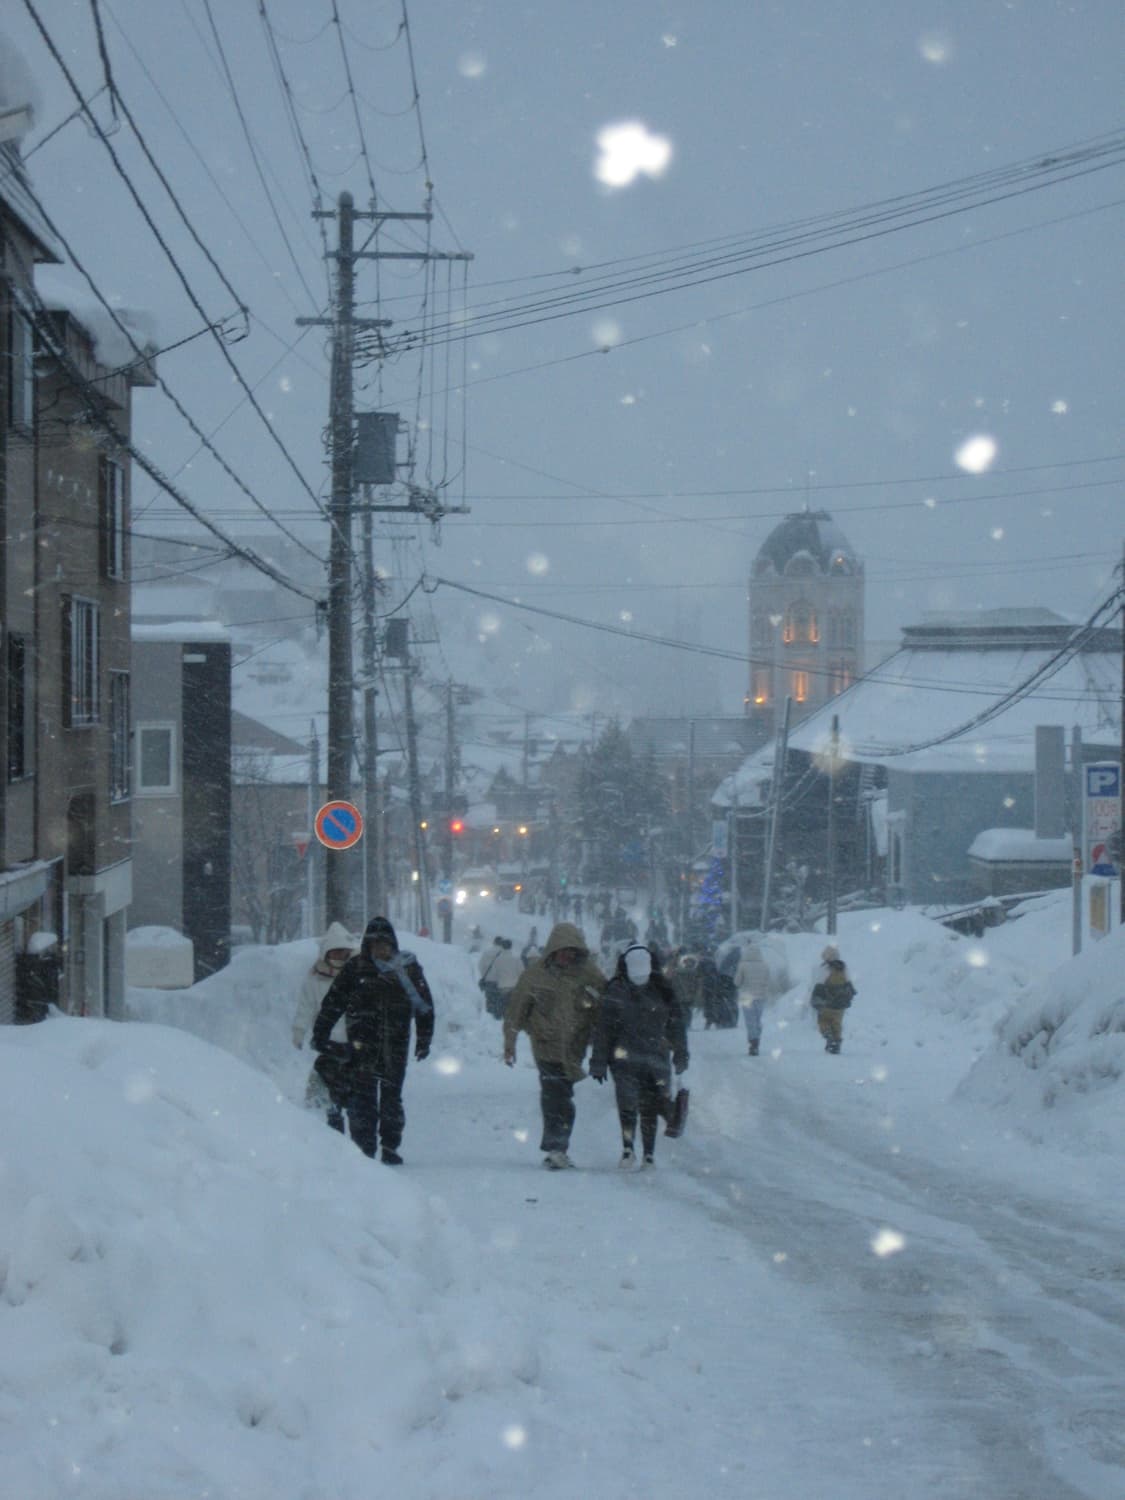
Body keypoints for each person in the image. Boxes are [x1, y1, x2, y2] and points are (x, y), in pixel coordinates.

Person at [311, 916, 434, 1163]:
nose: (381, 948)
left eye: (385, 943)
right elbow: (333, 1002)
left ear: (393, 944)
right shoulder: (356, 969)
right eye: (375, 943)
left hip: (396, 1043)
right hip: (362, 1045)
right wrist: (320, 1032)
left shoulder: (407, 969)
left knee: (391, 1097)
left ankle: (390, 1147)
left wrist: (424, 1038)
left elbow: (424, 1006)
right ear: (367, 944)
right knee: (362, 1099)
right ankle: (364, 1150)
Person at [503, 921, 604, 1169]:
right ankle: (556, 1147)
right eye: (564, 950)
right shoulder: (535, 976)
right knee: (553, 1096)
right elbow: (516, 1011)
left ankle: (558, 1145)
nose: (568, 955)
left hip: (573, 1048)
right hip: (545, 1046)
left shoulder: (586, 972)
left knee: (564, 1097)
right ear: (553, 949)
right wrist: (510, 1043)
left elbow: (608, 994)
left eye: (573, 950)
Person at [590, 944, 689, 1168]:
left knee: (629, 1105)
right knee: (649, 1108)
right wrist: (680, 1053)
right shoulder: (663, 989)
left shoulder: (615, 990)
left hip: (624, 1058)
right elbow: (677, 1025)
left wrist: (599, 1062)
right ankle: (646, 1154)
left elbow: (603, 1030)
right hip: (655, 1058)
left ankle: (630, 1150)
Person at [292, 922, 358, 1132]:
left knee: (355, 1091)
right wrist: (299, 1031)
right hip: (329, 1043)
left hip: (354, 1043)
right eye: (336, 953)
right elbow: (306, 1006)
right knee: (329, 1087)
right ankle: (333, 1126)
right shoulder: (315, 979)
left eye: (344, 953)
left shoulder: (357, 975)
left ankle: (358, 1132)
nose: (340, 958)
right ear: (326, 954)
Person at [810, 944, 856, 1055]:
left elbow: (819, 984)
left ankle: (829, 1037)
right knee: (837, 1024)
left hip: (828, 1003)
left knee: (823, 1021)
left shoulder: (826, 968)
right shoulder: (844, 967)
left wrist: (815, 1000)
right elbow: (849, 983)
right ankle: (836, 1045)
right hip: (841, 1004)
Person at [734, 939, 771, 1057]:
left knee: (750, 1021)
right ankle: (757, 1039)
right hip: (761, 996)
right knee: (757, 1020)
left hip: (746, 996)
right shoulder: (765, 965)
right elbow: (767, 981)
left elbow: (737, 982)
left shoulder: (742, 965)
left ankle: (753, 1043)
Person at [479, 935, 523, 1019]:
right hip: (512, 986)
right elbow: (521, 972)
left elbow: (481, 966)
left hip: (494, 983)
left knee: (492, 1002)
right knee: (508, 1004)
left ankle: (492, 1018)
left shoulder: (488, 953)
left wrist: (485, 976)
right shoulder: (516, 958)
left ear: (494, 942)